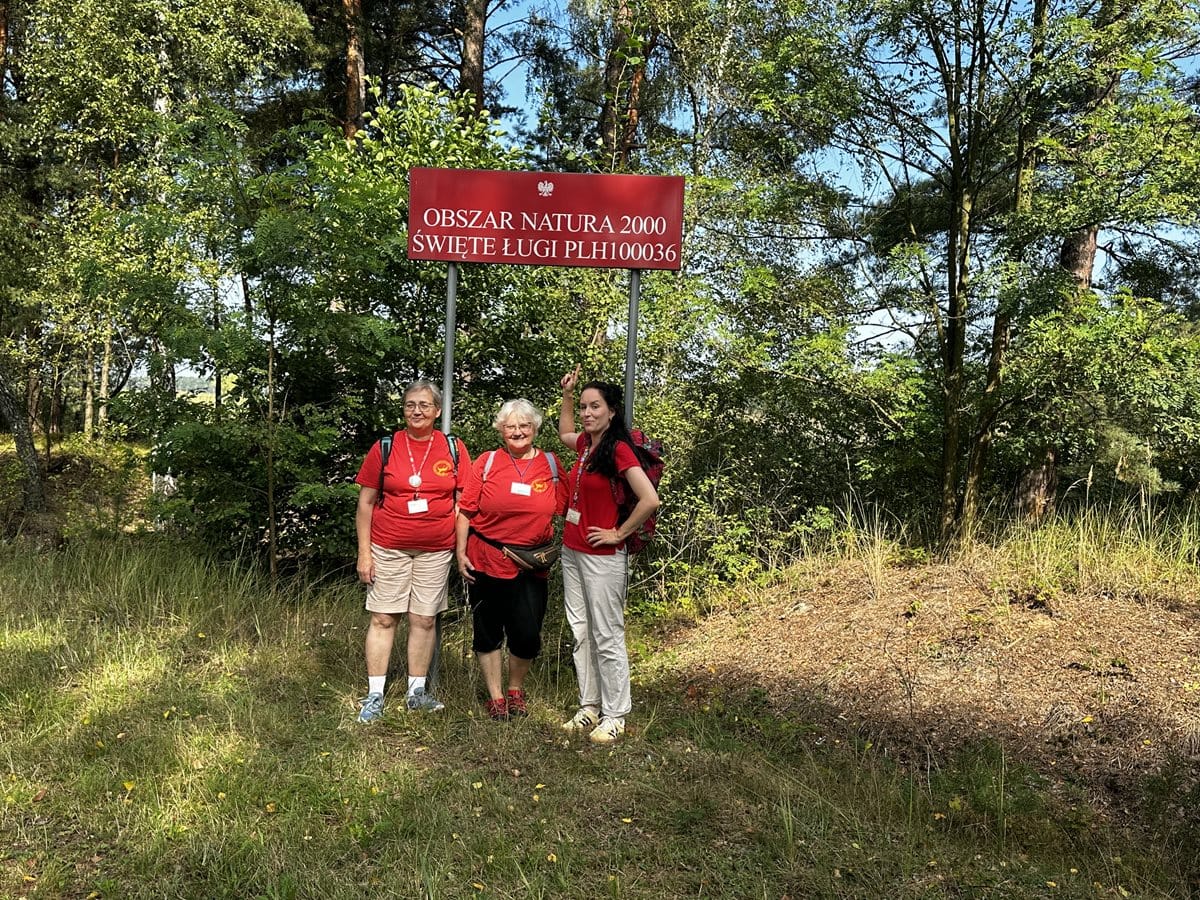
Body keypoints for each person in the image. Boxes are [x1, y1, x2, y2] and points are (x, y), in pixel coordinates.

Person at [353, 379, 469, 722]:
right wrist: (364, 552)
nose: (417, 411)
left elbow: (464, 503)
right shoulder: (386, 446)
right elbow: (365, 504)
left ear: (437, 411)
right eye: (410, 405)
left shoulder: (453, 448)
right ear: (403, 410)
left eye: (424, 405)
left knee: (423, 619)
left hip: (436, 550)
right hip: (388, 547)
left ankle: (416, 692)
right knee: (384, 618)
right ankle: (375, 694)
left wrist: (461, 548)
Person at [557, 367, 660, 744]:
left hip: (603, 557)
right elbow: (564, 432)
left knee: (606, 634)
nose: (586, 413)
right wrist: (567, 395)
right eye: (583, 407)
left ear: (612, 411)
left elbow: (650, 499)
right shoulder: (586, 445)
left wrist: (618, 532)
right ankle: (589, 707)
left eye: (594, 406)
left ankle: (615, 714)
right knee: (580, 631)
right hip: (572, 550)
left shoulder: (617, 449)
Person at [455, 399, 568, 720]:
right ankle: (496, 696)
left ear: (534, 428)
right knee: (488, 630)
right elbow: (466, 511)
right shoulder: (487, 462)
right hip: (486, 558)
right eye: (511, 426)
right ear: (501, 430)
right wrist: (460, 552)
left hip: (532, 564)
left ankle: (516, 688)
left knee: (527, 633)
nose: (517, 431)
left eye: (524, 425)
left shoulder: (551, 464)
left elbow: (569, 507)